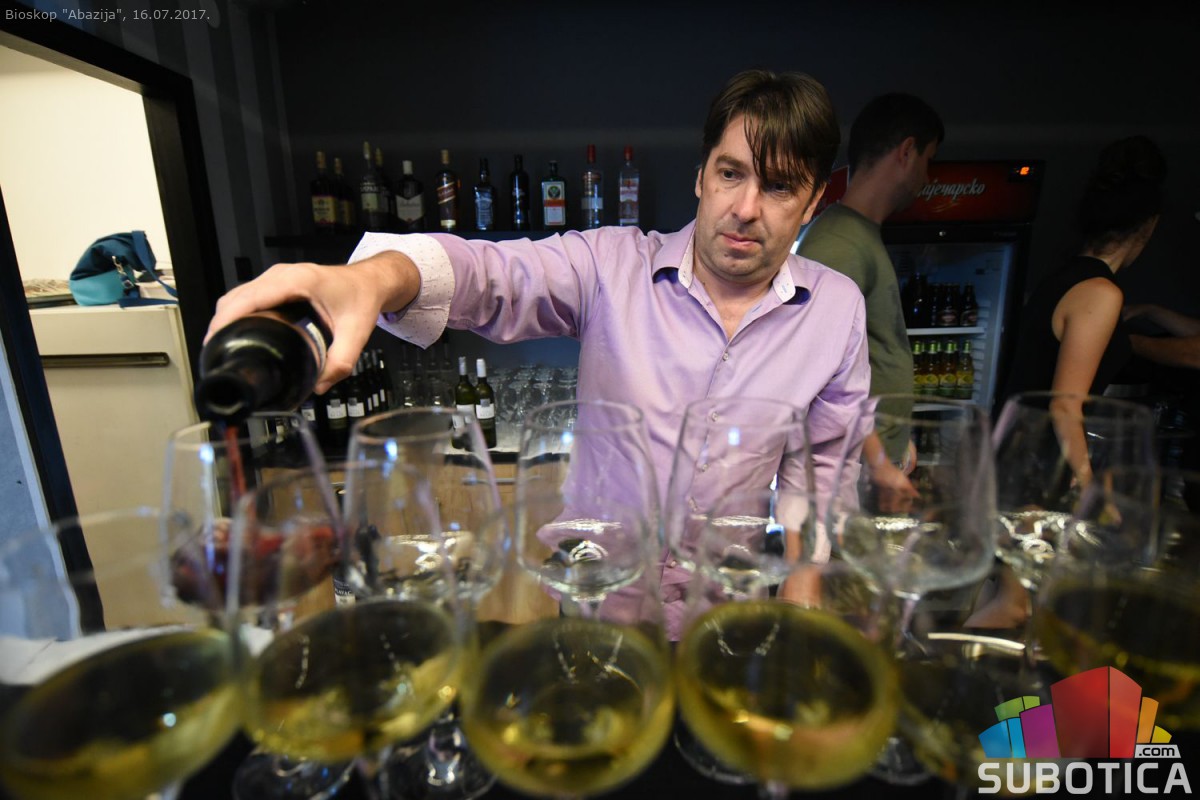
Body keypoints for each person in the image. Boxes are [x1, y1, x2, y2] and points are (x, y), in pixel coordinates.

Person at [206, 69, 871, 634]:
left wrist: (802, 594)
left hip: (731, 612)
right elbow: (490, 275)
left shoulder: (836, 309)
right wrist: (374, 279)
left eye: (779, 187)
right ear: (701, 177)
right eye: (731, 173)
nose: (746, 207)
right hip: (598, 604)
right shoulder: (610, 266)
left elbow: (822, 471)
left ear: (814, 200)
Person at [796, 92, 944, 511]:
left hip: (870, 460)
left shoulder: (856, 234)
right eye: (928, 160)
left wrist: (896, 442)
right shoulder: (840, 244)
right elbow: (822, 374)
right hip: (855, 469)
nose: (927, 177)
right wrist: (879, 463)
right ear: (907, 152)